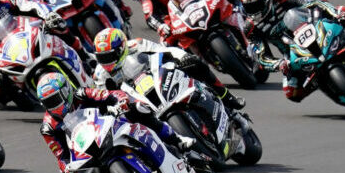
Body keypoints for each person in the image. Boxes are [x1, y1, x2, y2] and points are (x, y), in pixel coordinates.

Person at [33, 71, 170, 173]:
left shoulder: (82, 94)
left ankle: (175, 138)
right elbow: (61, 156)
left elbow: (108, 95)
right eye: (48, 103)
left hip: (109, 127)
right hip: (85, 154)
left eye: (55, 100)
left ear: (66, 92)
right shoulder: (48, 128)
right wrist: (66, 168)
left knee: (137, 109)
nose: (54, 107)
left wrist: (121, 100)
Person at [90, 27, 244, 110]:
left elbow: (165, 50)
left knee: (196, 64)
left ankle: (226, 96)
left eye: (109, 56)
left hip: (159, 75)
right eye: (102, 58)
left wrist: (183, 57)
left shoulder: (137, 44)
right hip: (135, 98)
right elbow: (104, 96)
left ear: (121, 48)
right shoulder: (100, 74)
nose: (107, 62)